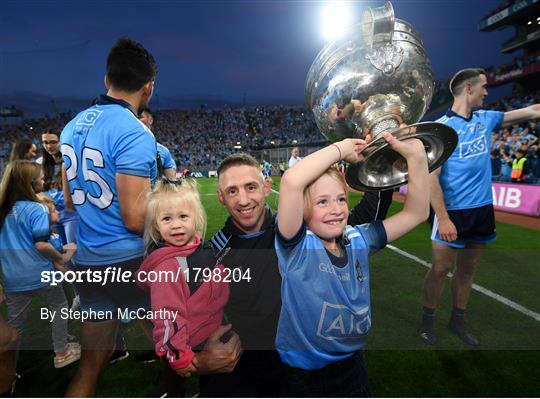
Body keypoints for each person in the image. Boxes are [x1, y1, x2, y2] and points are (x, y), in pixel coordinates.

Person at [198, 152, 393, 397]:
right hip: (252, 370)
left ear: (267, 187)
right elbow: (180, 315)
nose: (244, 200)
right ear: (220, 197)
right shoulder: (213, 255)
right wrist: (200, 361)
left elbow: (365, 218)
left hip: (312, 370)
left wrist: (380, 160)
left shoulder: (304, 232)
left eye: (251, 187)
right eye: (232, 191)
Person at [275, 135, 428, 396]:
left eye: (341, 199)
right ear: (302, 208)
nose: (335, 209)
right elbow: (291, 181)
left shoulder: (359, 239)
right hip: (305, 375)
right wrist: (340, 149)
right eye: (322, 201)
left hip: (353, 364)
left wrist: (417, 158)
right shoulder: (297, 247)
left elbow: (417, 213)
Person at [60, 37, 158, 396]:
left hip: (87, 261)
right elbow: (135, 218)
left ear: (107, 79)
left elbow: (69, 202)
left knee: (91, 363)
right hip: (129, 260)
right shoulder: (135, 131)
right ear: (148, 88)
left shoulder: (70, 127)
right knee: (171, 344)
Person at [418, 68, 540, 346]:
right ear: (468, 89)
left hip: (482, 210)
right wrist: (443, 218)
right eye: (484, 87)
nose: (488, 92)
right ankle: (427, 321)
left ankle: (457, 320)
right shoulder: (442, 128)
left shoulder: (487, 119)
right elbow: (431, 177)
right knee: (439, 268)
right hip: (452, 213)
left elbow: (532, 111)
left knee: (468, 268)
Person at [137, 180, 229, 377]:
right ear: (156, 224)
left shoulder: (200, 248)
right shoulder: (167, 267)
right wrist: (179, 355)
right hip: (194, 342)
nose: (176, 225)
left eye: (183, 216)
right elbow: (167, 316)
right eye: (167, 219)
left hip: (214, 329)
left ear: (196, 218)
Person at [0, 160, 81, 371]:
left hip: (12, 278)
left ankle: (9, 371)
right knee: (59, 308)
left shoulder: (3, 211)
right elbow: (42, 244)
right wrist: (59, 258)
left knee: (15, 327)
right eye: (39, 177)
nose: (43, 179)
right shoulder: (37, 208)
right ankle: (62, 352)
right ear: (28, 182)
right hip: (40, 273)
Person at [139, 107, 177, 181]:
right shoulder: (124, 148)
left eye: (140, 117)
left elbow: (172, 184)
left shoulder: (163, 151)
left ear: (150, 120)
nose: (136, 120)